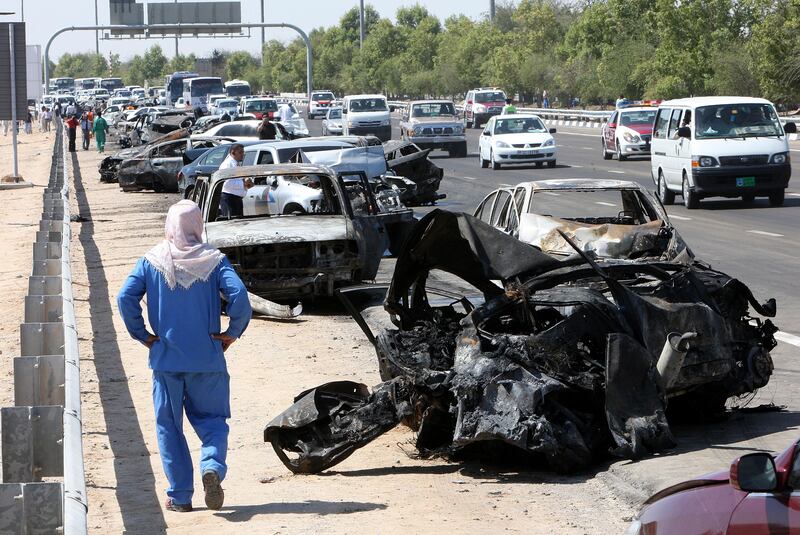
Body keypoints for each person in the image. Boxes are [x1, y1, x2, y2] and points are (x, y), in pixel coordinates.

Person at [117, 200, 252, 513]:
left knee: (169, 426)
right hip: (207, 359)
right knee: (213, 421)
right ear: (197, 225)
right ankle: (212, 467)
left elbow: (126, 298)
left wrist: (144, 335)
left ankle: (180, 495)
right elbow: (240, 297)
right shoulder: (214, 261)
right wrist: (233, 331)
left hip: (165, 361)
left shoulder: (152, 260)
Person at [218, 144, 253, 219]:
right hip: (229, 199)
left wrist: (247, 183)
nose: (242, 155)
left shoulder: (236, 164)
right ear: (233, 152)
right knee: (232, 225)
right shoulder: (227, 164)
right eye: (240, 152)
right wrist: (244, 183)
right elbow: (227, 183)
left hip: (236, 199)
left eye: (243, 152)